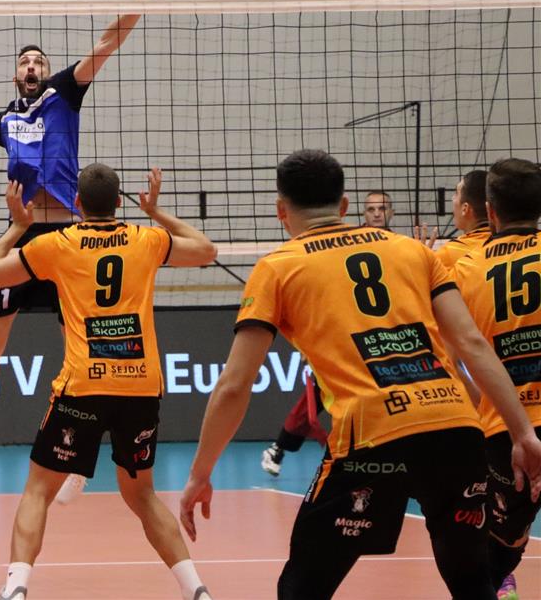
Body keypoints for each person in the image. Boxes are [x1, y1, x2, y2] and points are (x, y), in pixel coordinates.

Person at [179, 149, 541, 600]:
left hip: (372, 436)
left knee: (301, 589)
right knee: (472, 583)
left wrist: (200, 473)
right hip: (456, 429)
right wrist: (522, 432)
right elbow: (471, 343)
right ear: (346, 205)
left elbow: (235, 385)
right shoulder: (411, 250)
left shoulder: (277, 267)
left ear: (280, 211)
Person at [0, 0, 171, 494]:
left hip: (68, 236)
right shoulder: (5, 120)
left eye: (39, 59)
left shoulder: (65, 92)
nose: (33, 65)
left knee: (82, 344)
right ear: (16, 74)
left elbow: (110, 41)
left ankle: (79, 457)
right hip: (22, 233)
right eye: (25, 61)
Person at [0, 166, 216, 600]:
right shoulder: (147, 239)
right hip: (140, 387)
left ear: (77, 204)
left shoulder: (57, 244)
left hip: (83, 386)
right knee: (143, 496)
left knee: (37, 492)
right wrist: (156, 212)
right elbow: (206, 250)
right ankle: (196, 590)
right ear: (119, 202)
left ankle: (15, 590)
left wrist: (19, 227)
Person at [454, 159, 541, 600]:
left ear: (489, 211)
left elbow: (451, 356)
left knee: (497, 555)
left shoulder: (465, 269)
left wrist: (480, 401)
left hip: (506, 429)